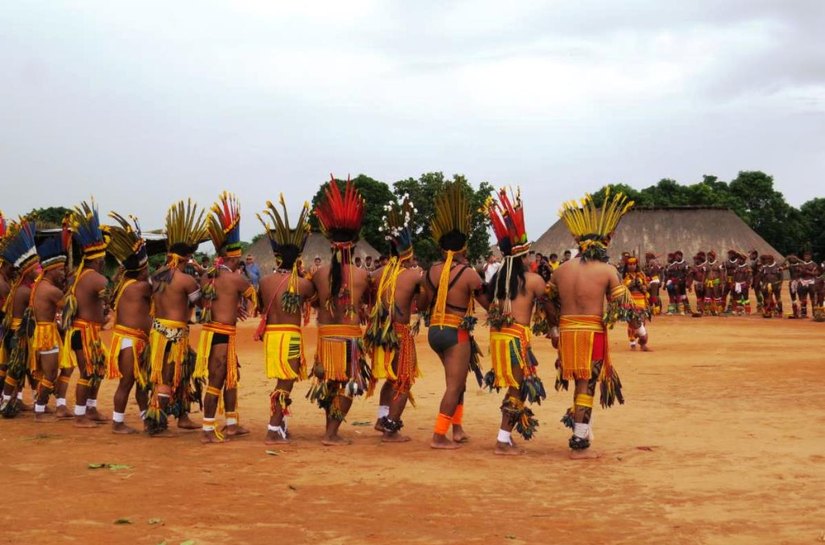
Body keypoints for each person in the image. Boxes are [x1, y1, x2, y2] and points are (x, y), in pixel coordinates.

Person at [550, 189, 639, 459]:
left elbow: (546, 299)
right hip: (590, 333)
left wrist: (554, 327)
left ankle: (583, 428)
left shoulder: (561, 270)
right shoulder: (607, 270)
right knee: (586, 384)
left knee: (579, 382)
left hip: (566, 331)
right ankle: (579, 437)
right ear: (604, 242)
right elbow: (625, 307)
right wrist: (639, 325)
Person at [483, 188, 550, 455]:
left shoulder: (497, 278)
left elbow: (488, 303)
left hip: (500, 337)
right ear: (524, 256)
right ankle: (502, 440)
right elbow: (548, 305)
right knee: (517, 386)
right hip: (515, 339)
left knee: (518, 385)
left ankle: (505, 437)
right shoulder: (533, 281)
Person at [419, 181, 486, 450]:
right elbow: (487, 301)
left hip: (435, 331)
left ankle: (457, 429)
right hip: (456, 332)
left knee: (457, 382)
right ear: (462, 248)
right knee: (454, 385)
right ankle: (439, 436)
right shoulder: (469, 273)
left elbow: (422, 302)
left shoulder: (430, 271)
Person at [308, 176, 372, 445]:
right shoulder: (361, 275)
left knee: (329, 382)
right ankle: (331, 433)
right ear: (354, 246)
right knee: (348, 383)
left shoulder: (318, 273)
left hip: (326, 334)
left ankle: (329, 430)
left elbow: (313, 300)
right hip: (349, 335)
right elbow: (367, 302)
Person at [195, 192, 258, 443]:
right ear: (233, 258)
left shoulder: (207, 276)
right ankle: (208, 429)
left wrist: (232, 305)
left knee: (232, 376)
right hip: (222, 333)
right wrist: (245, 304)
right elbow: (256, 298)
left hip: (213, 332)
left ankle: (232, 423)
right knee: (217, 379)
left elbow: (202, 301)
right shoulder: (236, 278)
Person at [256, 196, 315, 444]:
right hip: (290, 335)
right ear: (297, 259)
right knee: (286, 382)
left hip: (272, 335)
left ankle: (280, 426)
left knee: (283, 379)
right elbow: (315, 299)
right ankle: (272, 428)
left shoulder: (264, 282)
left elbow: (260, 307)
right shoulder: (302, 283)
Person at [364, 195, 423, 443]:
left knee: (391, 378)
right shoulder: (413, 274)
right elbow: (426, 297)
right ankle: (391, 427)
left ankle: (381, 417)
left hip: (378, 331)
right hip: (398, 331)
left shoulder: (376, 274)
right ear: (408, 254)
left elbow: (367, 300)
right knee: (403, 379)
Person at [146, 199, 207, 436]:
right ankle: (155, 420)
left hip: (158, 329)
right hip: (174, 333)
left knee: (182, 370)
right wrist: (203, 276)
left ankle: (182, 416)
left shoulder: (156, 276)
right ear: (185, 259)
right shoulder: (186, 280)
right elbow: (200, 303)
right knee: (167, 375)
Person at [61, 200, 111, 428]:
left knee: (97, 370)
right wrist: (108, 315)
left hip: (85, 331)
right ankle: (81, 414)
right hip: (83, 331)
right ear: (97, 259)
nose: (103, 263)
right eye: (102, 260)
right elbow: (108, 303)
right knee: (87, 372)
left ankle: (90, 408)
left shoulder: (79, 276)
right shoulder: (96, 278)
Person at [105, 212, 152, 434]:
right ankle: (117, 423)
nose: (148, 270)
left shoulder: (128, 283)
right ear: (140, 269)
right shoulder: (139, 287)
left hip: (134, 339)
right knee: (127, 382)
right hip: (130, 341)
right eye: (147, 268)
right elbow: (161, 290)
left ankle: (147, 419)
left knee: (141, 382)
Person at [0, 219, 41, 416]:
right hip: (18, 334)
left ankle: (26, 401)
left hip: (17, 333)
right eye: (36, 269)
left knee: (25, 368)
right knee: (15, 368)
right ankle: (6, 403)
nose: (38, 271)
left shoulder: (20, 287)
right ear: (27, 271)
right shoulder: (24, 291)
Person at [28, 231, 68, 422]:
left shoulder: (39, 285)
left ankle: (42, 407)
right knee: (50, 373)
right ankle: (39, 411)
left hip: (44, 331)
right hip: (46, 333)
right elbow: (70, 307)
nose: (63, 273)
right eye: (61, 270)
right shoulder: (51, 290)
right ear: (51, 270)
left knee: (48, 372)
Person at [621, 255, 652, 349]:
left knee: (642, 321)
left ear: (636, 265)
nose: (632, 266)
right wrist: (631, 285)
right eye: (630, 264)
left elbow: (647, 287)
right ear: (627, 266)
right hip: (630, 302)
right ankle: (632, 341)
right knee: (632, 323)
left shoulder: (641, 275)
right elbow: (623, 288)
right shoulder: (625, 277)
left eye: (634, 264)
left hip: (642, 301)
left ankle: (641, 342)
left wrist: (643, 287)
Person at [758, 254, 783, 318]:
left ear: (772, 259)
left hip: (776, 284)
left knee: (778, 298)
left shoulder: (777, 267)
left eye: (769, 259)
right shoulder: (764, 267)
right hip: (767, 285)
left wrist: (780, 284)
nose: (767, 260)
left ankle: (780, 311)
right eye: (766, 259)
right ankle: (769, 311)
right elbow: (761, 276)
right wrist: (763, 284)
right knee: (767, 298)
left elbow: (781, 276)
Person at [797, 250, 819, 319]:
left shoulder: (814, 264)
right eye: (805, 256)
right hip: (802, 281)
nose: (806, 257)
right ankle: (803, 313)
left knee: (813, 298)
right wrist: (801, 272)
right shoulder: (801, 264)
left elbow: (816, 273)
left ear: (810, 257)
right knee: (803, 298)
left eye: (808, 256)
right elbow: (798, 274)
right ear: (803, 257)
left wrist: (807, 271)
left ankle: (814, 313)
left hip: (811, 281)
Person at [687, 252, 707, 317]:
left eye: (696, 260)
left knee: (705, 296)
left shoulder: (705, 266)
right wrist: (689, 285)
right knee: (698, 297)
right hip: (696, 283)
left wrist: (703, 283)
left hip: (705, 283)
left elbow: (706, 274)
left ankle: (705, 309)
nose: (695, 261)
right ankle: (700, 309)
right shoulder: (693, 267)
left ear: (700, 260)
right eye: (694, 260)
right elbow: (691, 277)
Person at [704, 250, 725, 315]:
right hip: (708, 282)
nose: (708, 257)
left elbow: (721, 274)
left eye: (709, 256)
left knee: (717, 296)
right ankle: (707, 311)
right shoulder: (706, 264)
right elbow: (704, 274)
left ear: (713, 257)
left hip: (716, 282)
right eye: (707, 256)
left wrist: (721, 283)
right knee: (707, 296)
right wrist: (703, 282)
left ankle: (719, 310)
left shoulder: (719, 264)